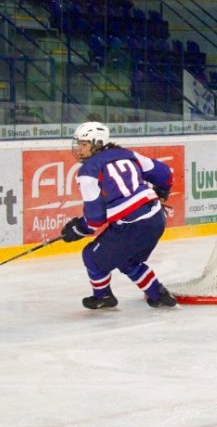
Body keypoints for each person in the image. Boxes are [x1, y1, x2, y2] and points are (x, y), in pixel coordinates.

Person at [62, 121, 177, 310]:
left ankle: (103, 296)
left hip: (131, 225)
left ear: (97, 143)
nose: (79, 149)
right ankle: (159, 295)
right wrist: (163, 190)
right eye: (79, 144)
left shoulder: (88, 171)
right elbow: (164, 173)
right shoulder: (127, 154)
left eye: (84, 144)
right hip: (157, 218)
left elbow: (95, 219)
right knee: (127, 259)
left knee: (91, 256)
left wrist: (77, 229)